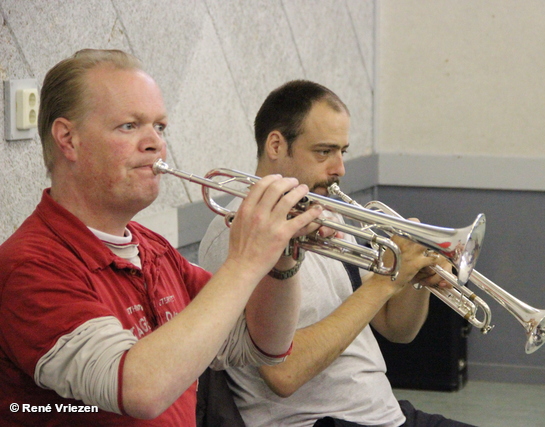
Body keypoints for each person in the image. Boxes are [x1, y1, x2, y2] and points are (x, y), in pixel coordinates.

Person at [0, 51, 329, 426]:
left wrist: (284, 258)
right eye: (129, 126)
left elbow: (263, 344)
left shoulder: (152, 248)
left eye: (160, 127)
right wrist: (245, 262)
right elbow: (140, 391)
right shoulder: (30, 267)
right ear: (68, 139)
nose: (155, 143)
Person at [198, 80, 474, 427]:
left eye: (342, 151)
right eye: (323, 152)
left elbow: (398, 330)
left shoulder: (326, 212)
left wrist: (414, 277)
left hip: (385, 414)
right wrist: (384, 285)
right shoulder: (238, 232)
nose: (339, 168)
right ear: (276, 145)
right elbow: (284, 373)